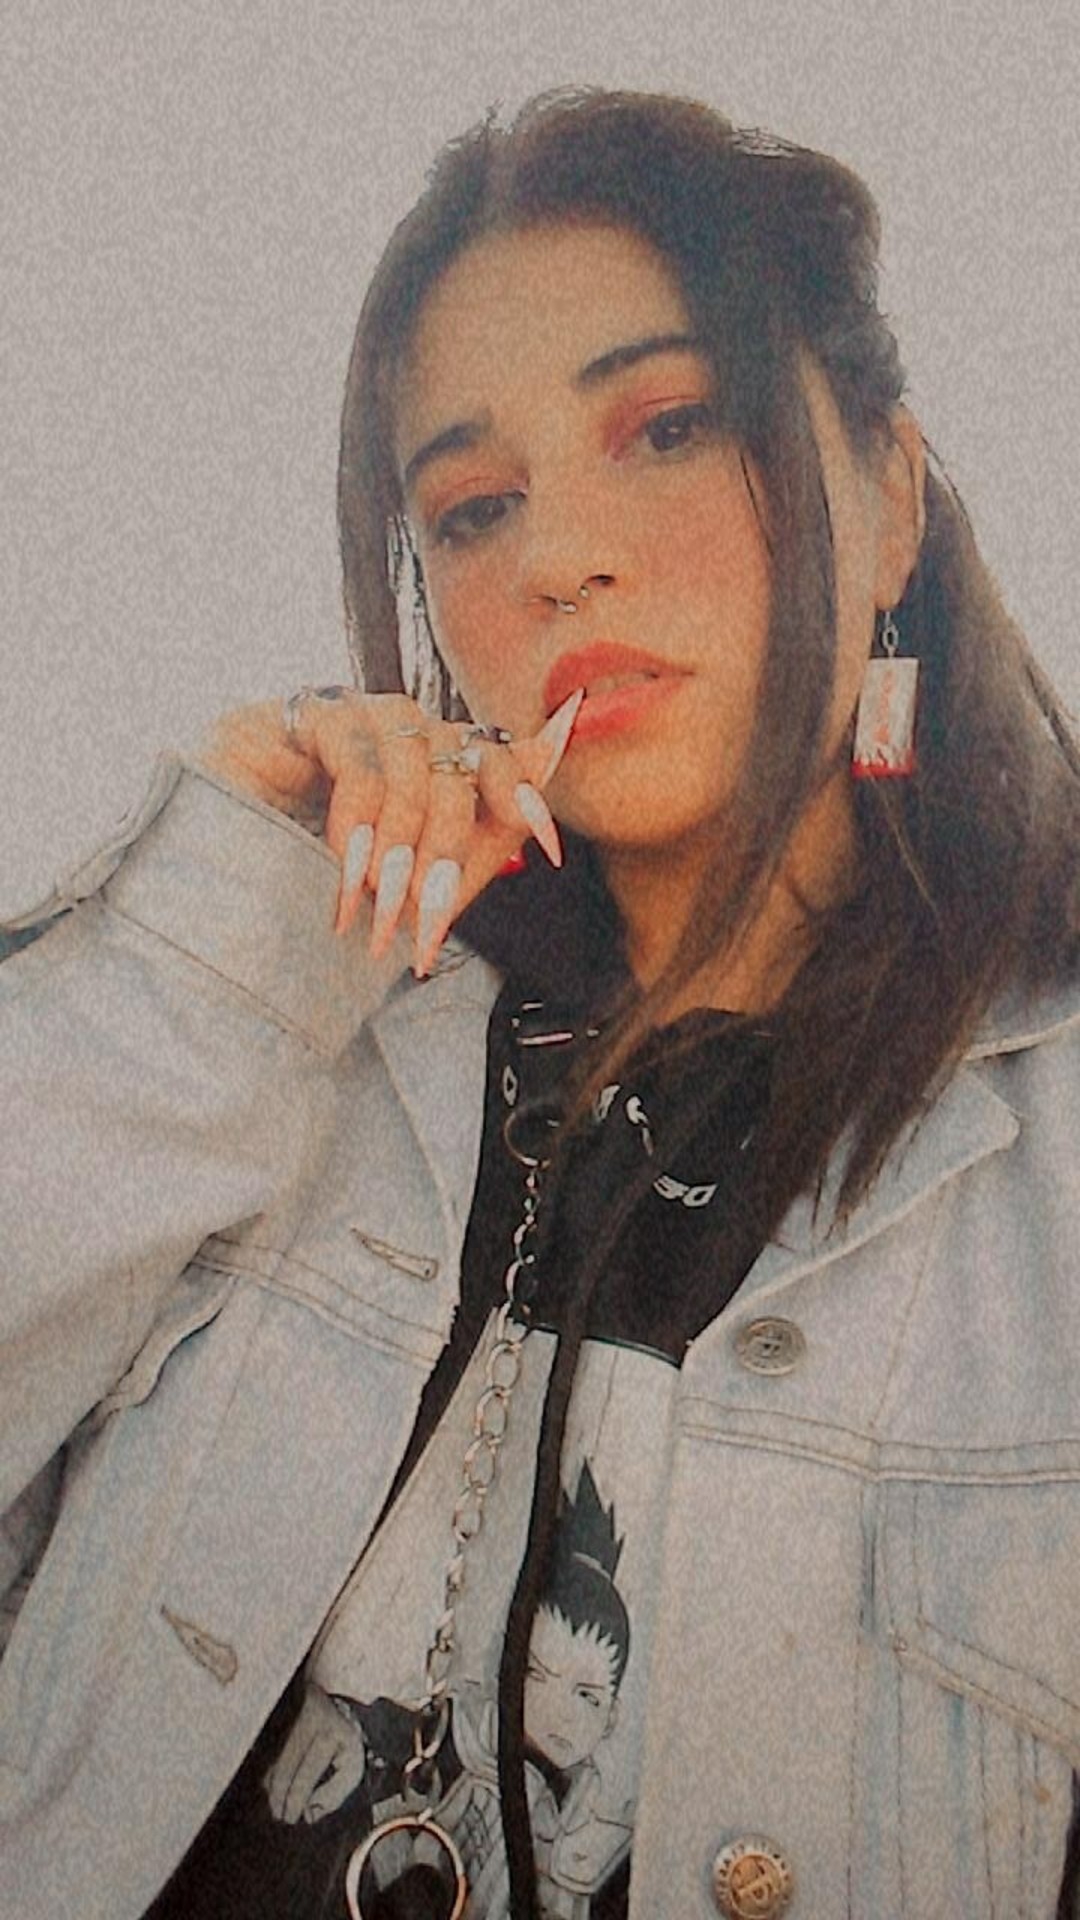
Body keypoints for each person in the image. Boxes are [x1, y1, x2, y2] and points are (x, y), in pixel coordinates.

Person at [1, 84, 1079, 1920]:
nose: (555, 554)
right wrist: (207, 938)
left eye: (669, 427)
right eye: (472, 504)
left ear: (891, 500)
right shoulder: (293, 1049)